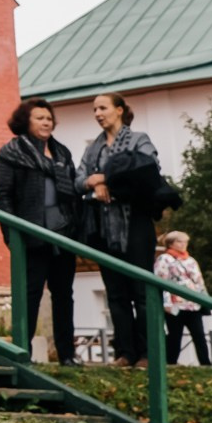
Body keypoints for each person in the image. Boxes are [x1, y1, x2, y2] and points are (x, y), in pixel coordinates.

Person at [0, 97, 79, 364]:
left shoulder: (62, 152)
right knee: (30, 295)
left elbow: (74, 191)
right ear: (25, 121)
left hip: (63, 234)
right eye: (40, 118)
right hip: (31, 235)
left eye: (49, 118)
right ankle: (22, 352)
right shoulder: (12, 152)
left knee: (64, 295)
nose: (46, 122)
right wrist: (12, 234)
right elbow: (2, 196)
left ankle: (67, 355)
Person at [77, 91, 162, 367]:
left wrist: (106, 179)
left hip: (135, 222)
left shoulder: (139, 140)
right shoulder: (94, 148)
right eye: (95, 109)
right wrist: (92, 182)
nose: (98, 114)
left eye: (103, 108)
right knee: (115, 292)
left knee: (142, 291)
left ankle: (149, 353)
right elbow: (78, 179)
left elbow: (147, 169)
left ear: (119, 110)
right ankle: (125, 352)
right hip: (103, 226)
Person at [155, 231, 212, 365]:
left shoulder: (191, 260)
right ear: (170, 244)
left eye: (185, 242)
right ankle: (170, 363)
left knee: (199, 335)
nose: (183, 244)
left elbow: (200, 282)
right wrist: (166, 303)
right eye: (179, 242)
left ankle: (206, 364)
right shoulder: (164, 259)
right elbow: (161, 281)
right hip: (175, 304)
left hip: (193, 305)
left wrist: (205, 300)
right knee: (175, 336)